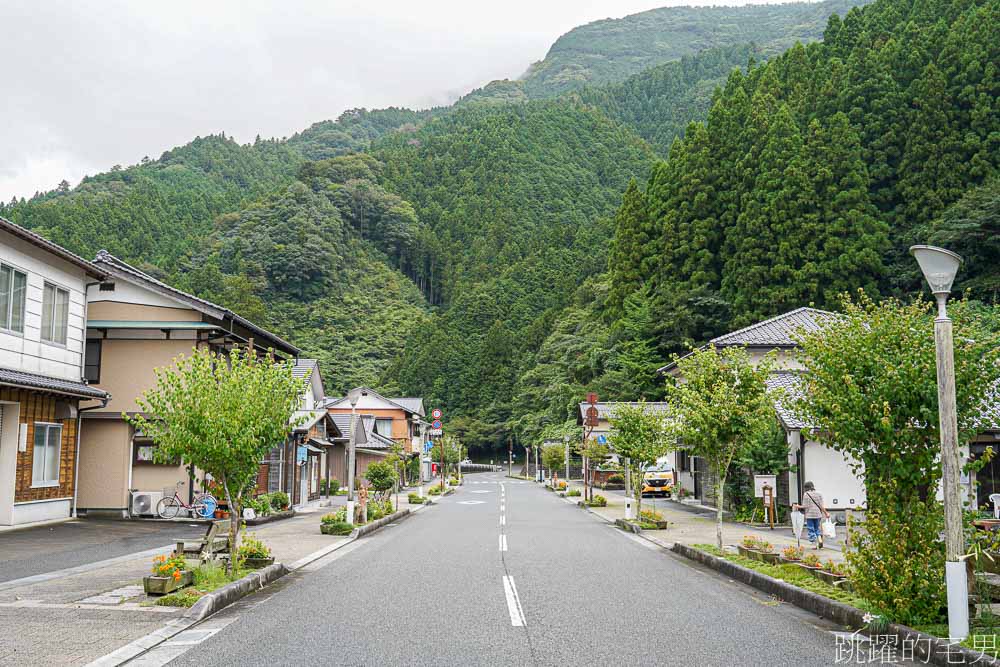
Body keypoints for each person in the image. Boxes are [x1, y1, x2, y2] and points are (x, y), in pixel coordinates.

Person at [793, 481, 830, 548]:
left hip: (809, 515)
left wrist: (797, 506)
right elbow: (821, 506)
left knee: (811, 529)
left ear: (806, 487)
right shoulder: (819, 494)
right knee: (817, 528)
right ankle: (820, 539)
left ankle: (815, 545)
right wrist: (826, 513)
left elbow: (805, 506)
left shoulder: (806, 494)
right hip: (818, 514)